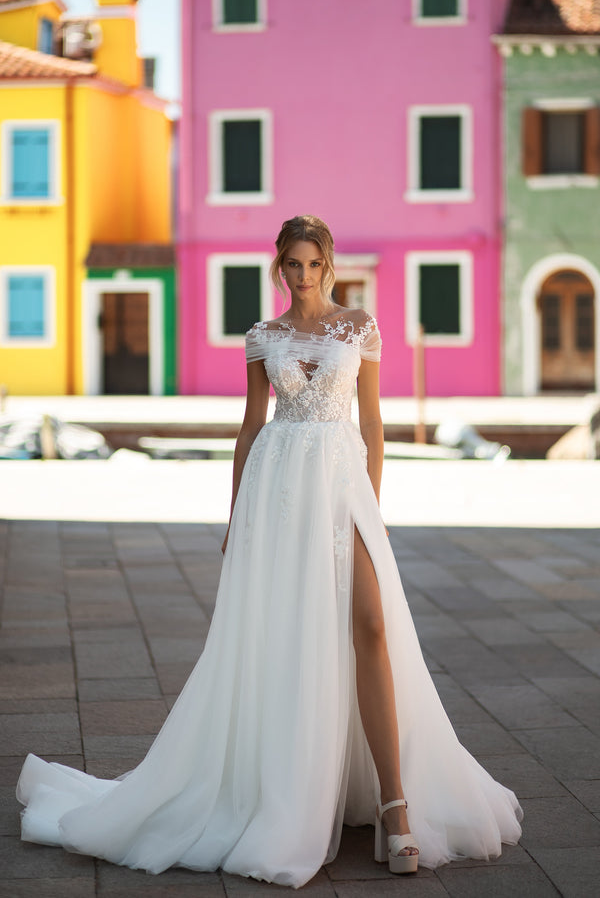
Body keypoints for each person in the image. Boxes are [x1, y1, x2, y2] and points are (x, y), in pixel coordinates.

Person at [16, 215, 522, 888]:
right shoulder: (263, 337)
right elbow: (251, 426)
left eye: (313, 263)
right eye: (292, 264)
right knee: (293, 639)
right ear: (279, 268)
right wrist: (236, 517)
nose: (303, 275)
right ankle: (296, 794)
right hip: (280, 490)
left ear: (330, 265)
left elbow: (371, 423)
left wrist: (370, 506)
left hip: (342, 488)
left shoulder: (358, 327)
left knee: (371, 628)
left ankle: (397, 804)